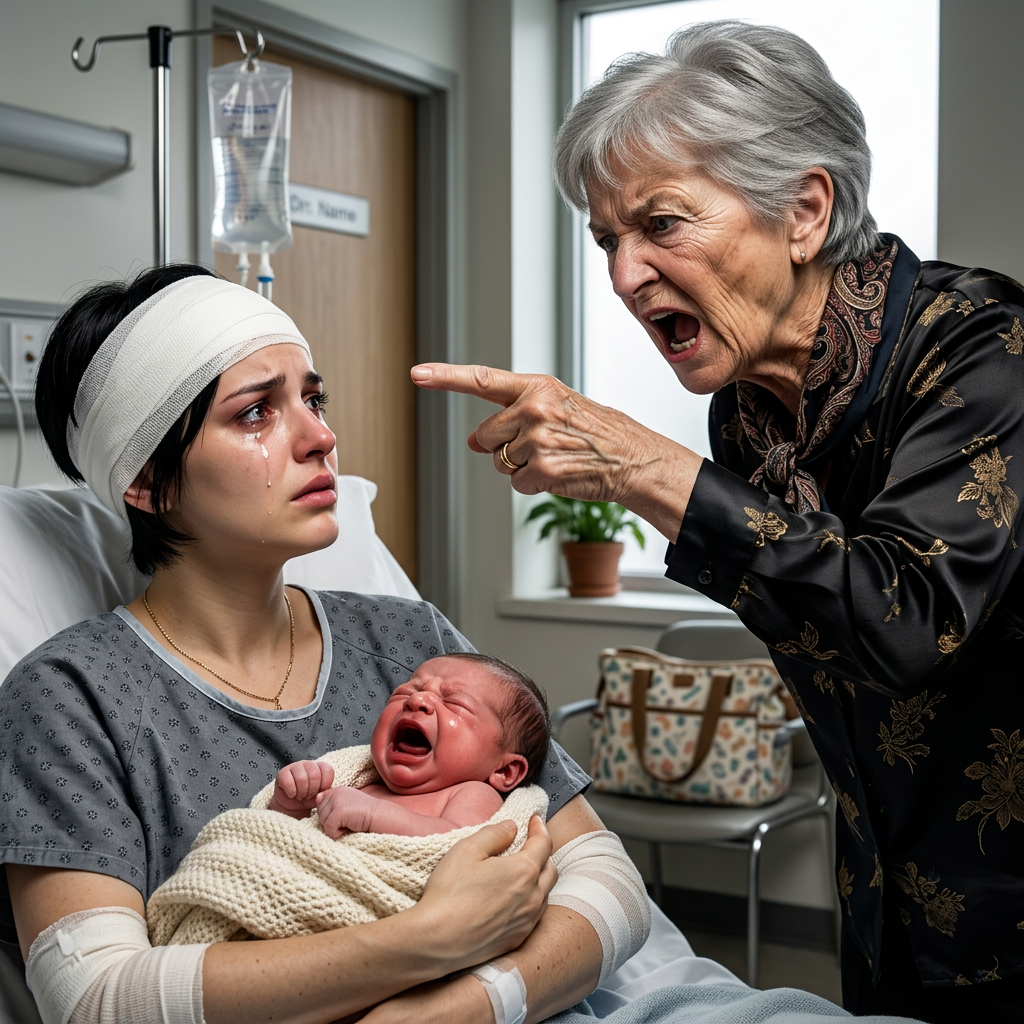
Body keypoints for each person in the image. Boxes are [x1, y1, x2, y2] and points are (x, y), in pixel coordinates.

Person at [410, 20, 1024, 1024]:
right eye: (607, 238)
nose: (620, 275)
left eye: (659, 224)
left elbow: (908, 620)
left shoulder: (979, 347)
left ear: (803, 210)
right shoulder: (743, 413)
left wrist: (644, 466)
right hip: (883, 887)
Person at [0, 265, 650, 1024]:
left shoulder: (412, 643)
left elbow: (605, 879)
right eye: (255, 414)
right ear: (147, 479)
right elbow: (97, 1000)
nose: (321, 437)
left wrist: (466, 1008)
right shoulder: (71, 697)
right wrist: (427, 939)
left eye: (312, 398)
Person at [269, 652, 550, 837]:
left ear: (505, 771)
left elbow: (457, 845)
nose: (417, 700)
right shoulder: (361, 783)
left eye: (454, 702)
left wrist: (373, 816)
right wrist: (291, 805)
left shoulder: (473, 794)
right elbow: (287, 841)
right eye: (407, 691)